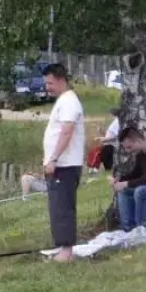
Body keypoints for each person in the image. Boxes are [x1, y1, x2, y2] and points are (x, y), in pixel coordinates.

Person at [41, 63, 85, 262]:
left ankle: (66, 252)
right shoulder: (64, 101)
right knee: (57, 207)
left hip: (65, 165)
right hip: (60, 165)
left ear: (60, 80)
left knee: (63, 207)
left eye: (49, 83)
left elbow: (67, 132)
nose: (47, 87)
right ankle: (61, 247)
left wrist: (54, 159)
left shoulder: (69, 101)